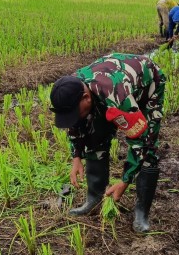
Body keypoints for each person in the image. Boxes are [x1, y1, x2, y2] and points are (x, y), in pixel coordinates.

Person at [50, 53, 166, 233]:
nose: (74, 118)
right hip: (106, 85)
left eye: (75, 113)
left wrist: (125, 180)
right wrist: (77, 156)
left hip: (148, 83)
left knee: (148, 147)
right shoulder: (69, 88)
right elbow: (75, 123)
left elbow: (140, 141)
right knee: (95, 138)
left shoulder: (117, 98)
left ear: (86, 98)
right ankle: (94, 198)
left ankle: (142, 212)